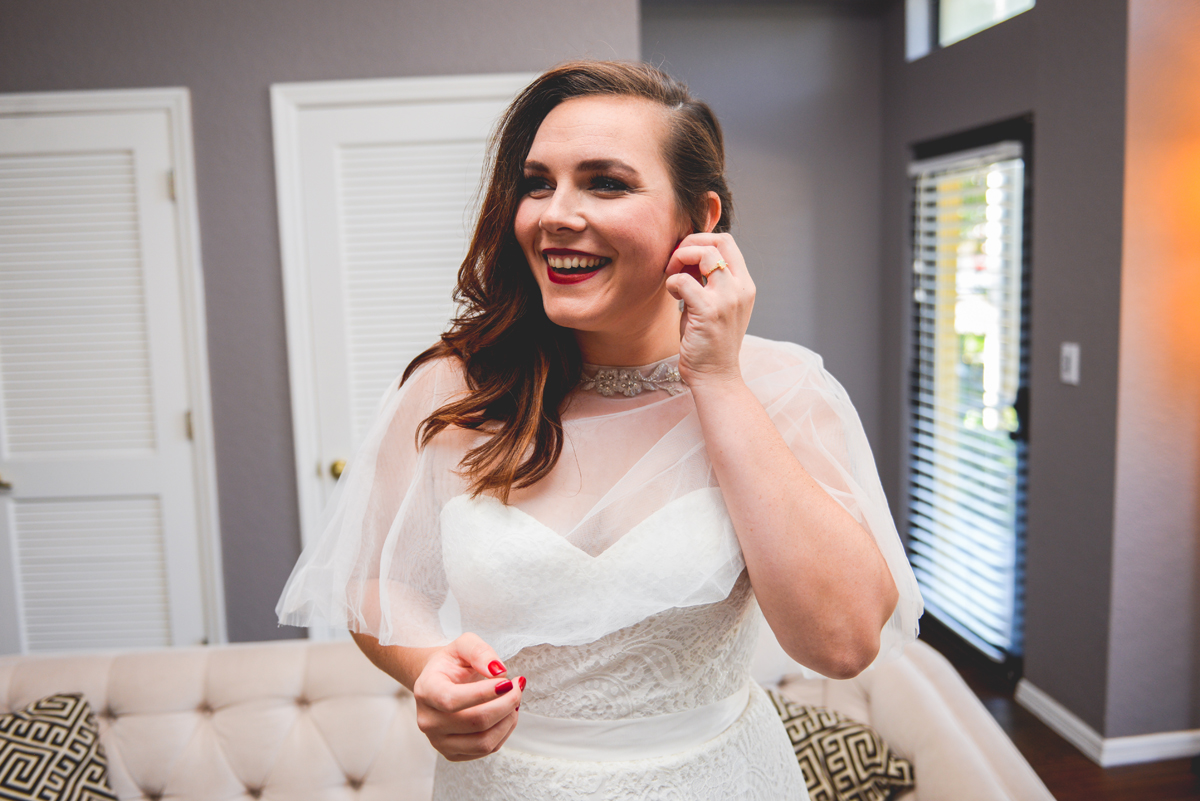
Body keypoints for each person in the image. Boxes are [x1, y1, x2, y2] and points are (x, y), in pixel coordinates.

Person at [277, 61, 922, 800]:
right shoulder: (454, 387)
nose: (554, 213)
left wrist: (717, 380)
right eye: (537, 182)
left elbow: (841, 643)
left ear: (701, 218)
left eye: (605, 182)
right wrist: (427, 667)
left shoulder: (782, 389)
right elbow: (377, 579)